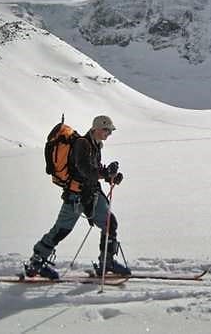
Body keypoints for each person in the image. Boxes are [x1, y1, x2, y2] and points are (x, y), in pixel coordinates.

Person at [25, 115, 131, 279]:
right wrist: (104, 173)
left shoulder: (96, 145)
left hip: (91, 195)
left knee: (110, 223)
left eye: (110, 130)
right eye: (106, 129)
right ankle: (36, 262)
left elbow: (93, 170)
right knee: (61, 230)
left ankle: (106, 263)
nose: (109, 133)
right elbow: (84, 169)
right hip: (76, 197)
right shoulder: (83, 143)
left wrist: (111, 177)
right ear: (96, 128)